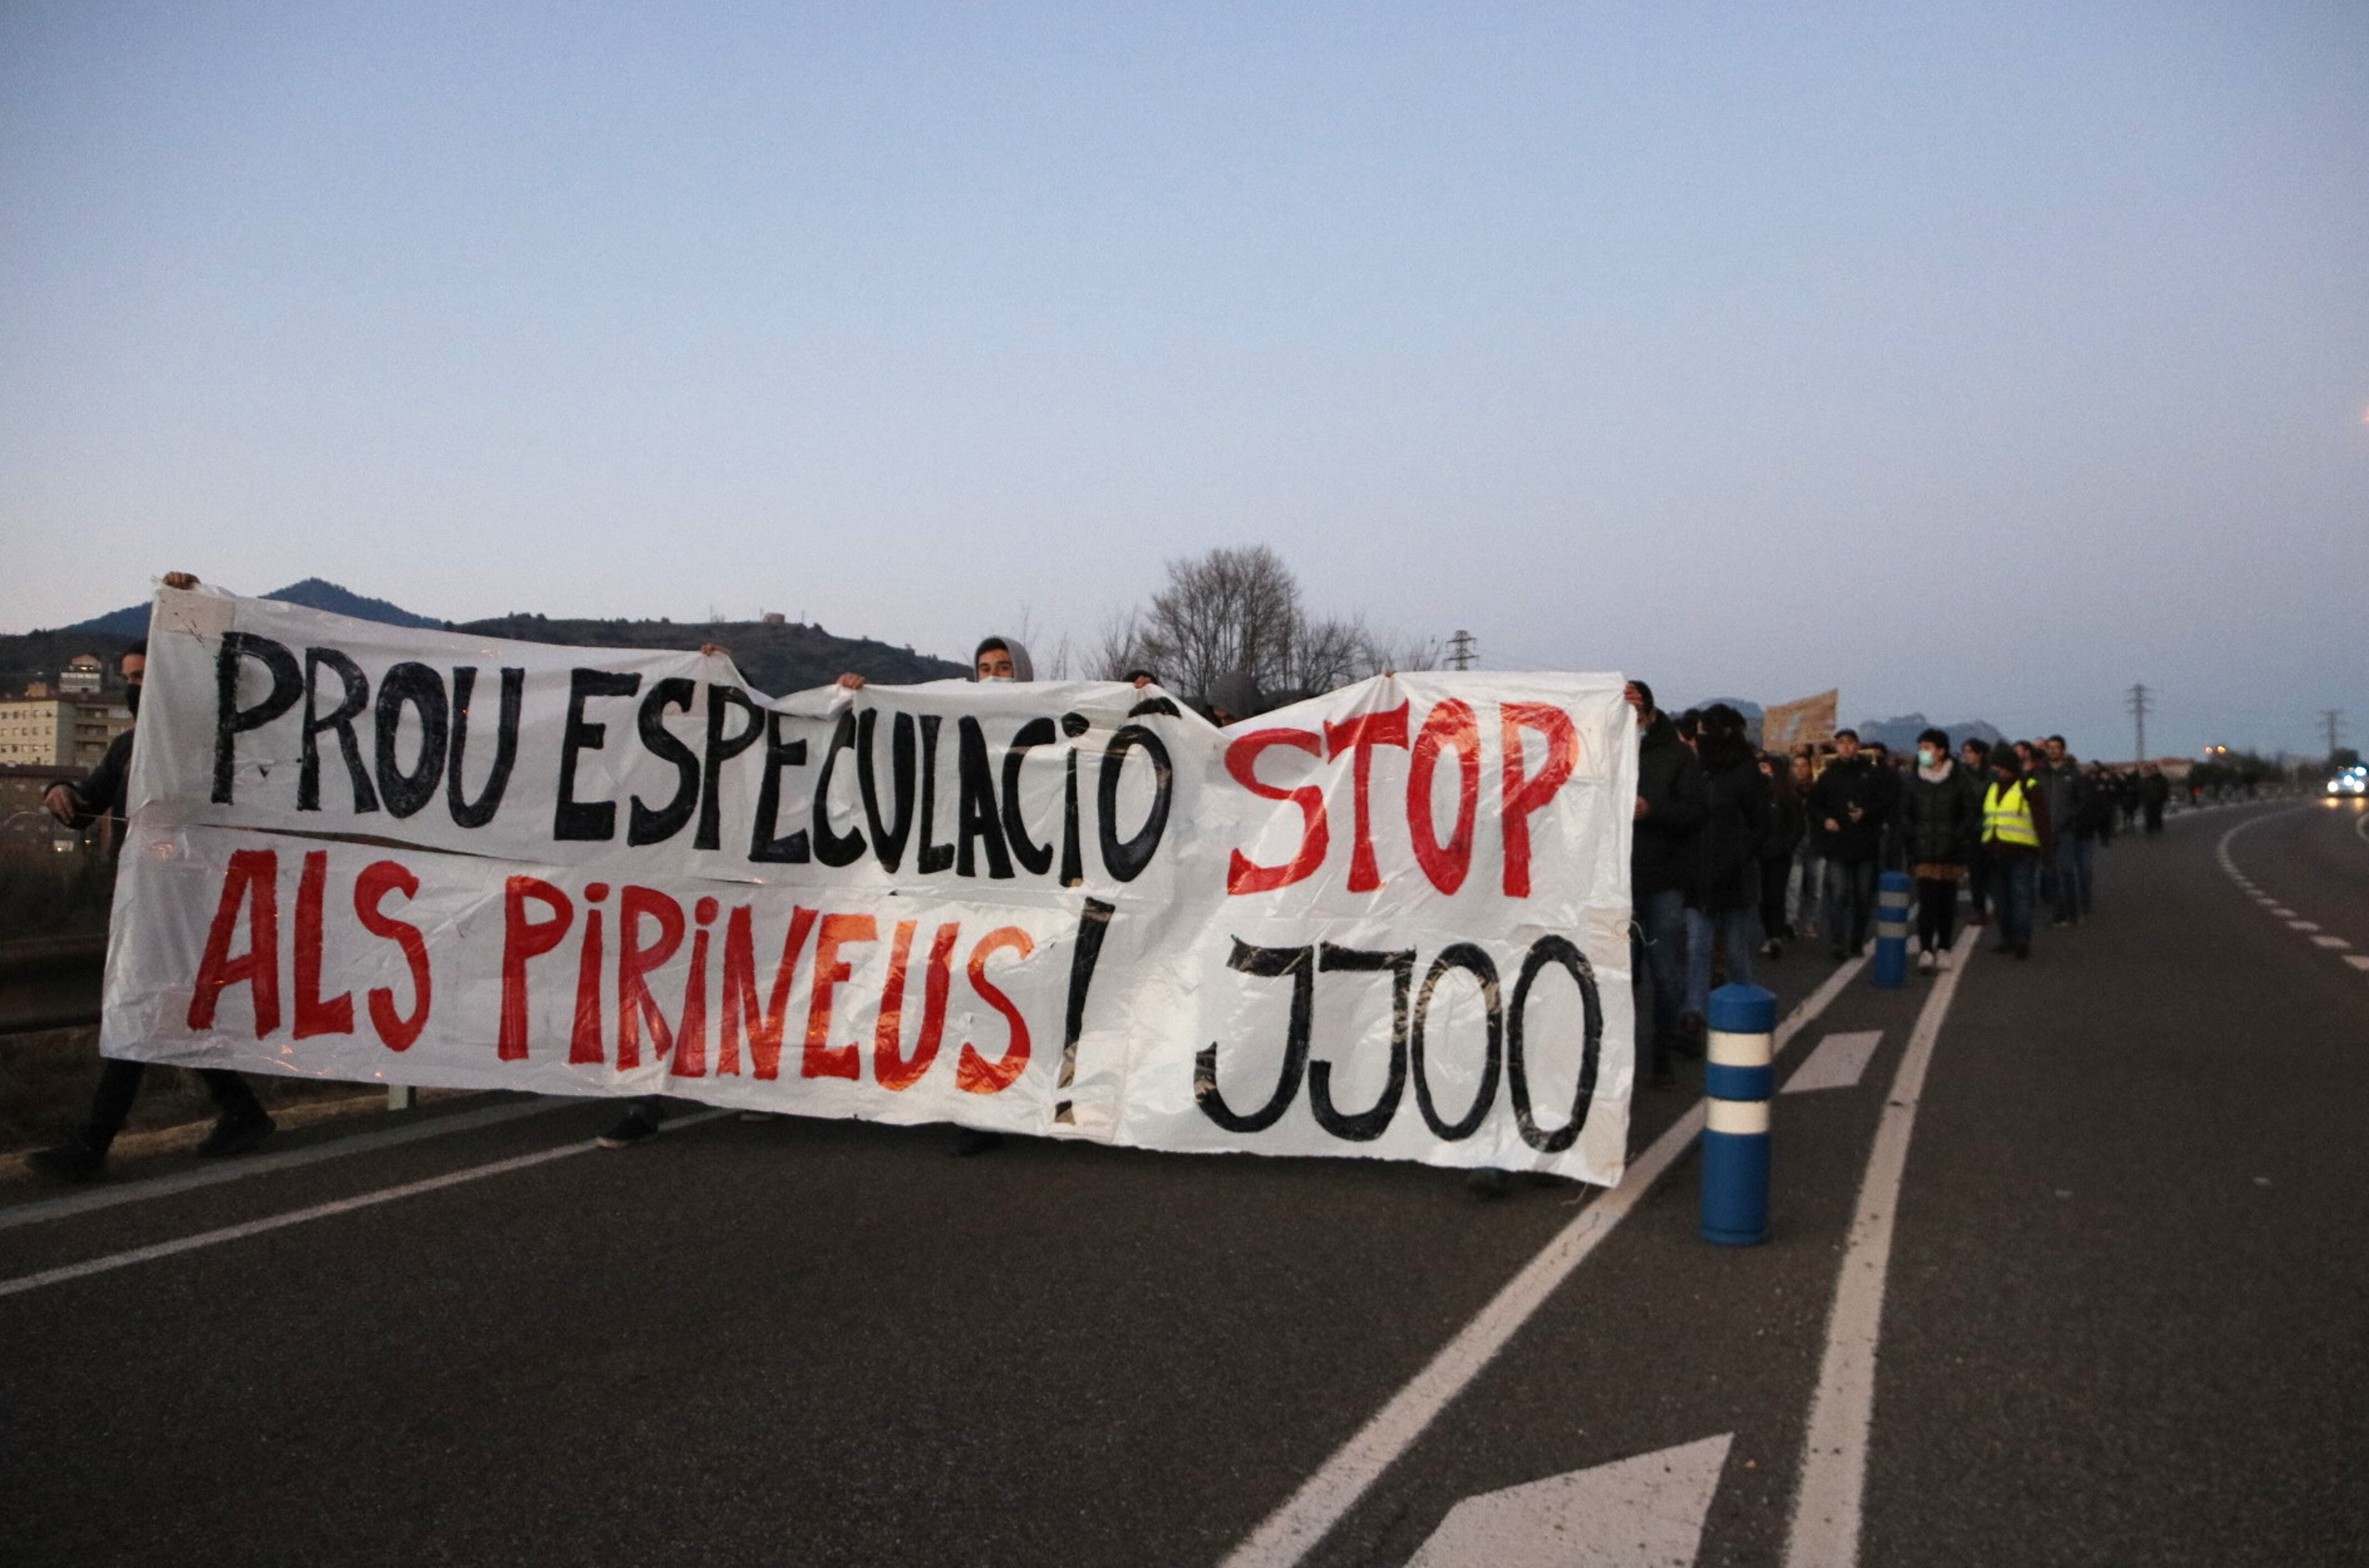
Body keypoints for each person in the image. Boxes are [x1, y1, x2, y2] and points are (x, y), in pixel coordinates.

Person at [28, 582, 281, 1183]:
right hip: (142, 900)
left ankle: (93, 1146)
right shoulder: (126, 746)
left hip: (192, 903)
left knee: (141, 1011)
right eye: (128, 678)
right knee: (162, 1013)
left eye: (145, 676)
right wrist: (55, 793)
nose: (135, 687)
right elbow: (85, 807)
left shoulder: (211, 742)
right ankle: (242, 1111)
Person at [1626, 680, 1705, 1089]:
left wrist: (1653, 810)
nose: (1629, 726)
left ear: (1650, 717)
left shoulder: (1678, 756)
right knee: (1617, 975)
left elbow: (1694, 813)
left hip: (1663, 881)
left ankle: (1662, 1052)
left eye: (1635, 719)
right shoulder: (1606, 752)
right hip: (1616, 884)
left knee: (1665, 973)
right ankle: (1615, 1061)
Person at [1686, 706, 1770, 1001]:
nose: (1699, 738)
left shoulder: (1746, 772)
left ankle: (1742, 1013)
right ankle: (1693, 1013)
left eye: (1704, 731)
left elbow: (1760, 824)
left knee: (1736, 953)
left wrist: (1737, 856)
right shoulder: (1698, 770)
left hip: (1736, 877)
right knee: (1698, 949)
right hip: (1700, 876)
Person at [1901, 728, 1978, 972]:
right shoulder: (1914, 779)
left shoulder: (1958, 778)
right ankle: (1925, 949)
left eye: (1928, 747)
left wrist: (1958, 836)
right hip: (1923, 850)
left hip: (1950, 850)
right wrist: (1912, 836)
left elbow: (1971, 811)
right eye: (1921, 747)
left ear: (1941, 751)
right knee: (1926, 902)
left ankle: (1944, 947)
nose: (1923, 752)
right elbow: (1905, 812)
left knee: (1946, 902)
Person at [1807, 729, 1881, 959]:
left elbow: (1885, 803)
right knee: (1838, 895)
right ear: (1837, 747)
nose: (1846, 747)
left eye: (1850, 743)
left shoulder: (1870, 773)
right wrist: (1826, 819)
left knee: (1863, 897)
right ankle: (1838, 941)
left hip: (1865, 844)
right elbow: (1814, 805)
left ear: (1858, 746)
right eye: (1841, 743)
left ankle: (1857, 940)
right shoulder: (1828, 775)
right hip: (1837, 845)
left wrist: (1867, 812)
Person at [1980, 749, 2051, 960]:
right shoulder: (1992, 788)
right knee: (2001, 901)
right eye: (1995, 766)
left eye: (2000, 766)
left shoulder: (2029, 788)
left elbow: (2043, 822)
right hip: (1995, 853)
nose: (1997, 770)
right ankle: (2007, 939)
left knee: (2021, 897)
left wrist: (2047, 852)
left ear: (2010, 766)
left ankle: (2022, 941)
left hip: (2022, 853)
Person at [2035, 735, 2092, 928]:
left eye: (2056, 748)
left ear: (2063, 750)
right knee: (2049, 874)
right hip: (2044, 831)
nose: (2052, 751)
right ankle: (2058, 913)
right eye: (2049, 748)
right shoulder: (2040, 774)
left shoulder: (2073, 774)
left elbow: (2082, 801)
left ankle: (2072, 912)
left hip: (2066, 830)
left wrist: (2070, 820)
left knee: (2067, 871)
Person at [1756, 751, 1804, 959]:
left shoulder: (1788, 797)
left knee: (1776, 894)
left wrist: (1786, 847)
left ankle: (1774, 935)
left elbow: (1797, 827)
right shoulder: (1757, 794)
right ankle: (1771, 933)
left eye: (1766, 767)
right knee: (1762, 897)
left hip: (1779, 854)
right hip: (1759, 853)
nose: (1763, 771)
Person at [1786, 750, 1823, 942]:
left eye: (1803, 766)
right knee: (1794, 884)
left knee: (1815, 887)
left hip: (1816, 842)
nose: (1799, 770)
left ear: (1810, 768)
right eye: (1796, 766)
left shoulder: (1818, 791)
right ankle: (1790, 921)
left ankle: (1810, 921)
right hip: (1795, 842)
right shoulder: (1786, 791)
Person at [1959, 738, 1992, 927]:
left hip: (1990, 828)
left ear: (1979, 754)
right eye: (1965, 751)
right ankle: (1979, 910)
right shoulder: (1963, 775)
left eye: (1970, 751)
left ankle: (1996, 905)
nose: (1967, 755)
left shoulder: (1991, 775)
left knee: (1990, 872)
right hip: (1972, 829)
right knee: (1976, 873)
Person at [2141, 762, 2170, 835]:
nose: (2153, 771)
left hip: (2158, 799)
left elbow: (2165, 788)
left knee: (2158, 814)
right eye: (2152, 770)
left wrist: (2164, 797)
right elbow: (2143, 789)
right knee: (2149, 814)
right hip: (2149, 799)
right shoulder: (2147, 779)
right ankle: (2149, 828)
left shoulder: (2161, 779)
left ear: (2157, 770)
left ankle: (2158, 826)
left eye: (2155, 770)